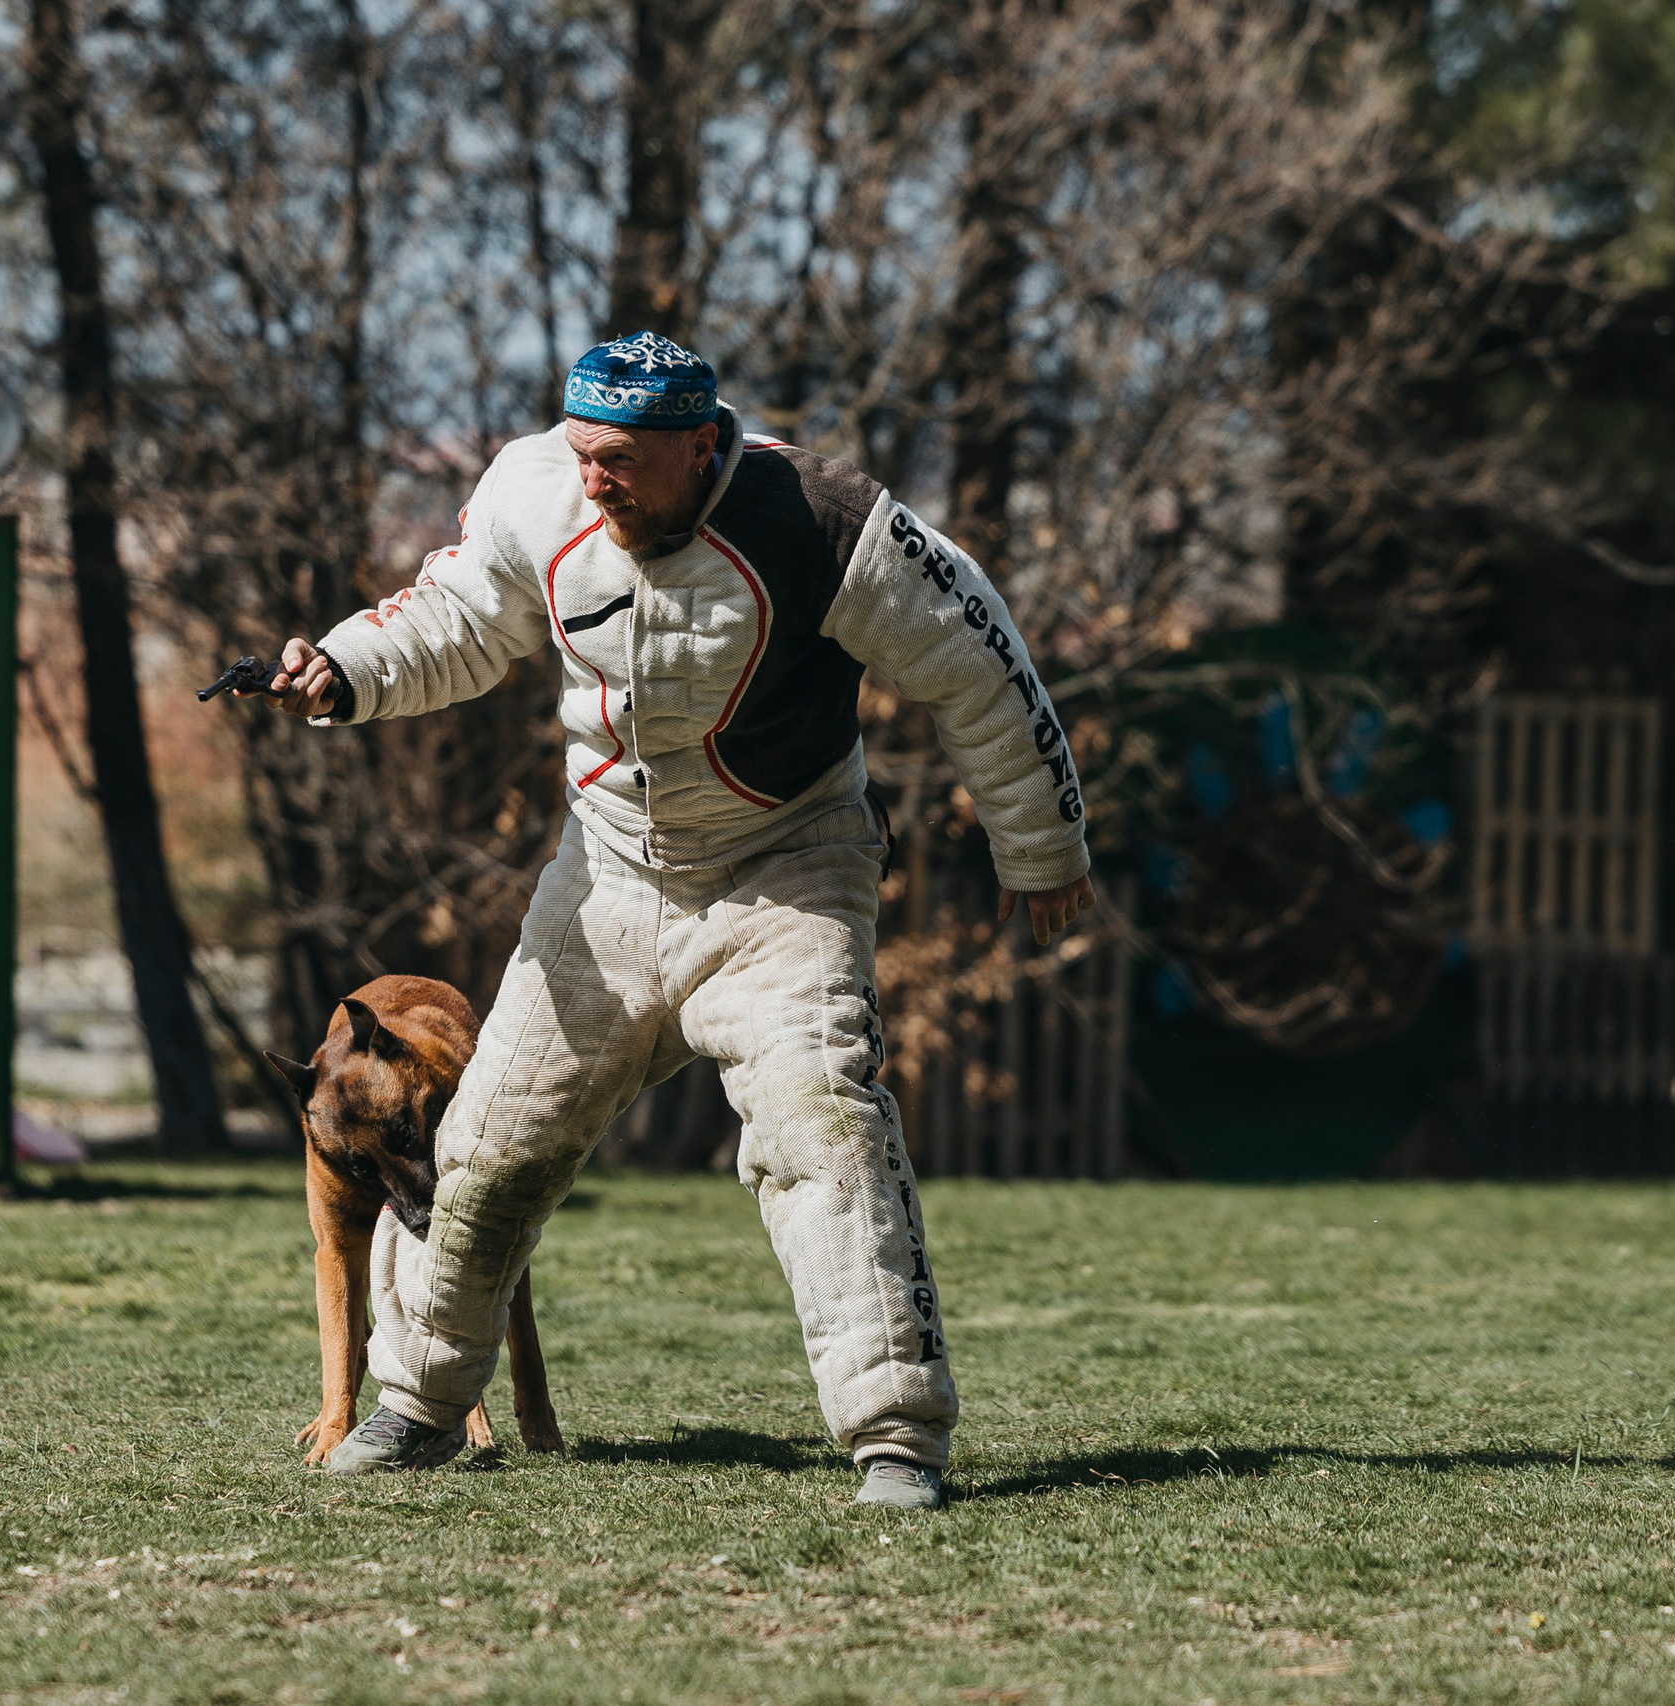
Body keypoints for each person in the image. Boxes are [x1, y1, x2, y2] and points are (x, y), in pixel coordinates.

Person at [248, 331, 1094, 1510]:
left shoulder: (825, 520)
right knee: (485, 1147)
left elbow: (977, 656)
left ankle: (895, 1437)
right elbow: (451, 618)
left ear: (703, 444)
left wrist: (1040, 841)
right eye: (585, 453)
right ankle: (418, 1403)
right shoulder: (532, 489)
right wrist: (341, 669)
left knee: (819, 1126)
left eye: (626, 460)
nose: (597, 479)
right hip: (607, 879)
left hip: (786, 870)